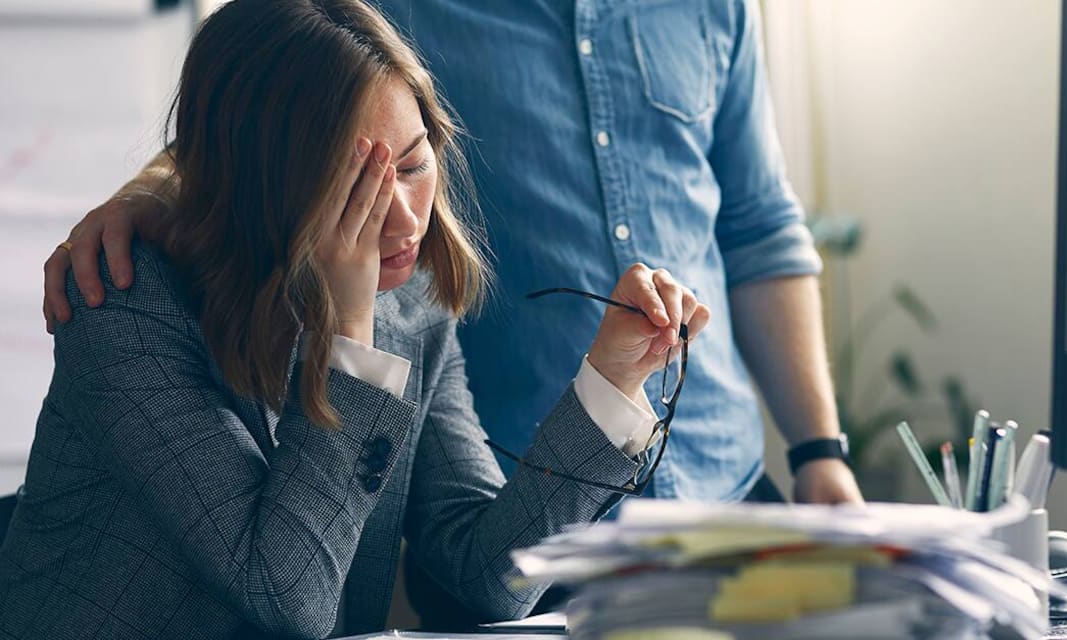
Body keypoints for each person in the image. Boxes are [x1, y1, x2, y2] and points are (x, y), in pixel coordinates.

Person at [2, 1, 709, 638]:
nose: (403, 220)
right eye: (357, 188)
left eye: (413, 166)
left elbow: (488, 574)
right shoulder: (126, 307)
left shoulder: (413, 307)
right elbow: (288, 597)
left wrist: (612, 381)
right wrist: (350, 338)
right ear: (263, 186)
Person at [43, 1, 861, 506]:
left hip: (723, 480)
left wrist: (818, 452)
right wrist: (151, 195)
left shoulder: (715, 9)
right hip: (511, 490)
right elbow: (260, 111)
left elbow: (758, 228)